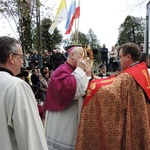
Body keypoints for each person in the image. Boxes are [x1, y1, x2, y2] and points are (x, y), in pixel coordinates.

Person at [76, 43, 150, 150]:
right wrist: (94, 77)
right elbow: (114, 79)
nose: (119, 60)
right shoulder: (140, 69)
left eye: (120, 57)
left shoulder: (127, 77)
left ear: (128, 57)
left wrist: (89, 80)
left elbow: (109, 91)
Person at [0, 36, 48, 150]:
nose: (22, 61)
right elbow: (31, 138)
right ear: (11, 57)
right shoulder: (16, 86)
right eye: (21, 57)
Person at [44, 46, 90, 150]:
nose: (84, 59)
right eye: (81, 56)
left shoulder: (73, 69)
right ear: (72, 55)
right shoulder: (62, 70)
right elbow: (75, 91)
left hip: (70, 116)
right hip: (63, 120)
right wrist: (79, 70)